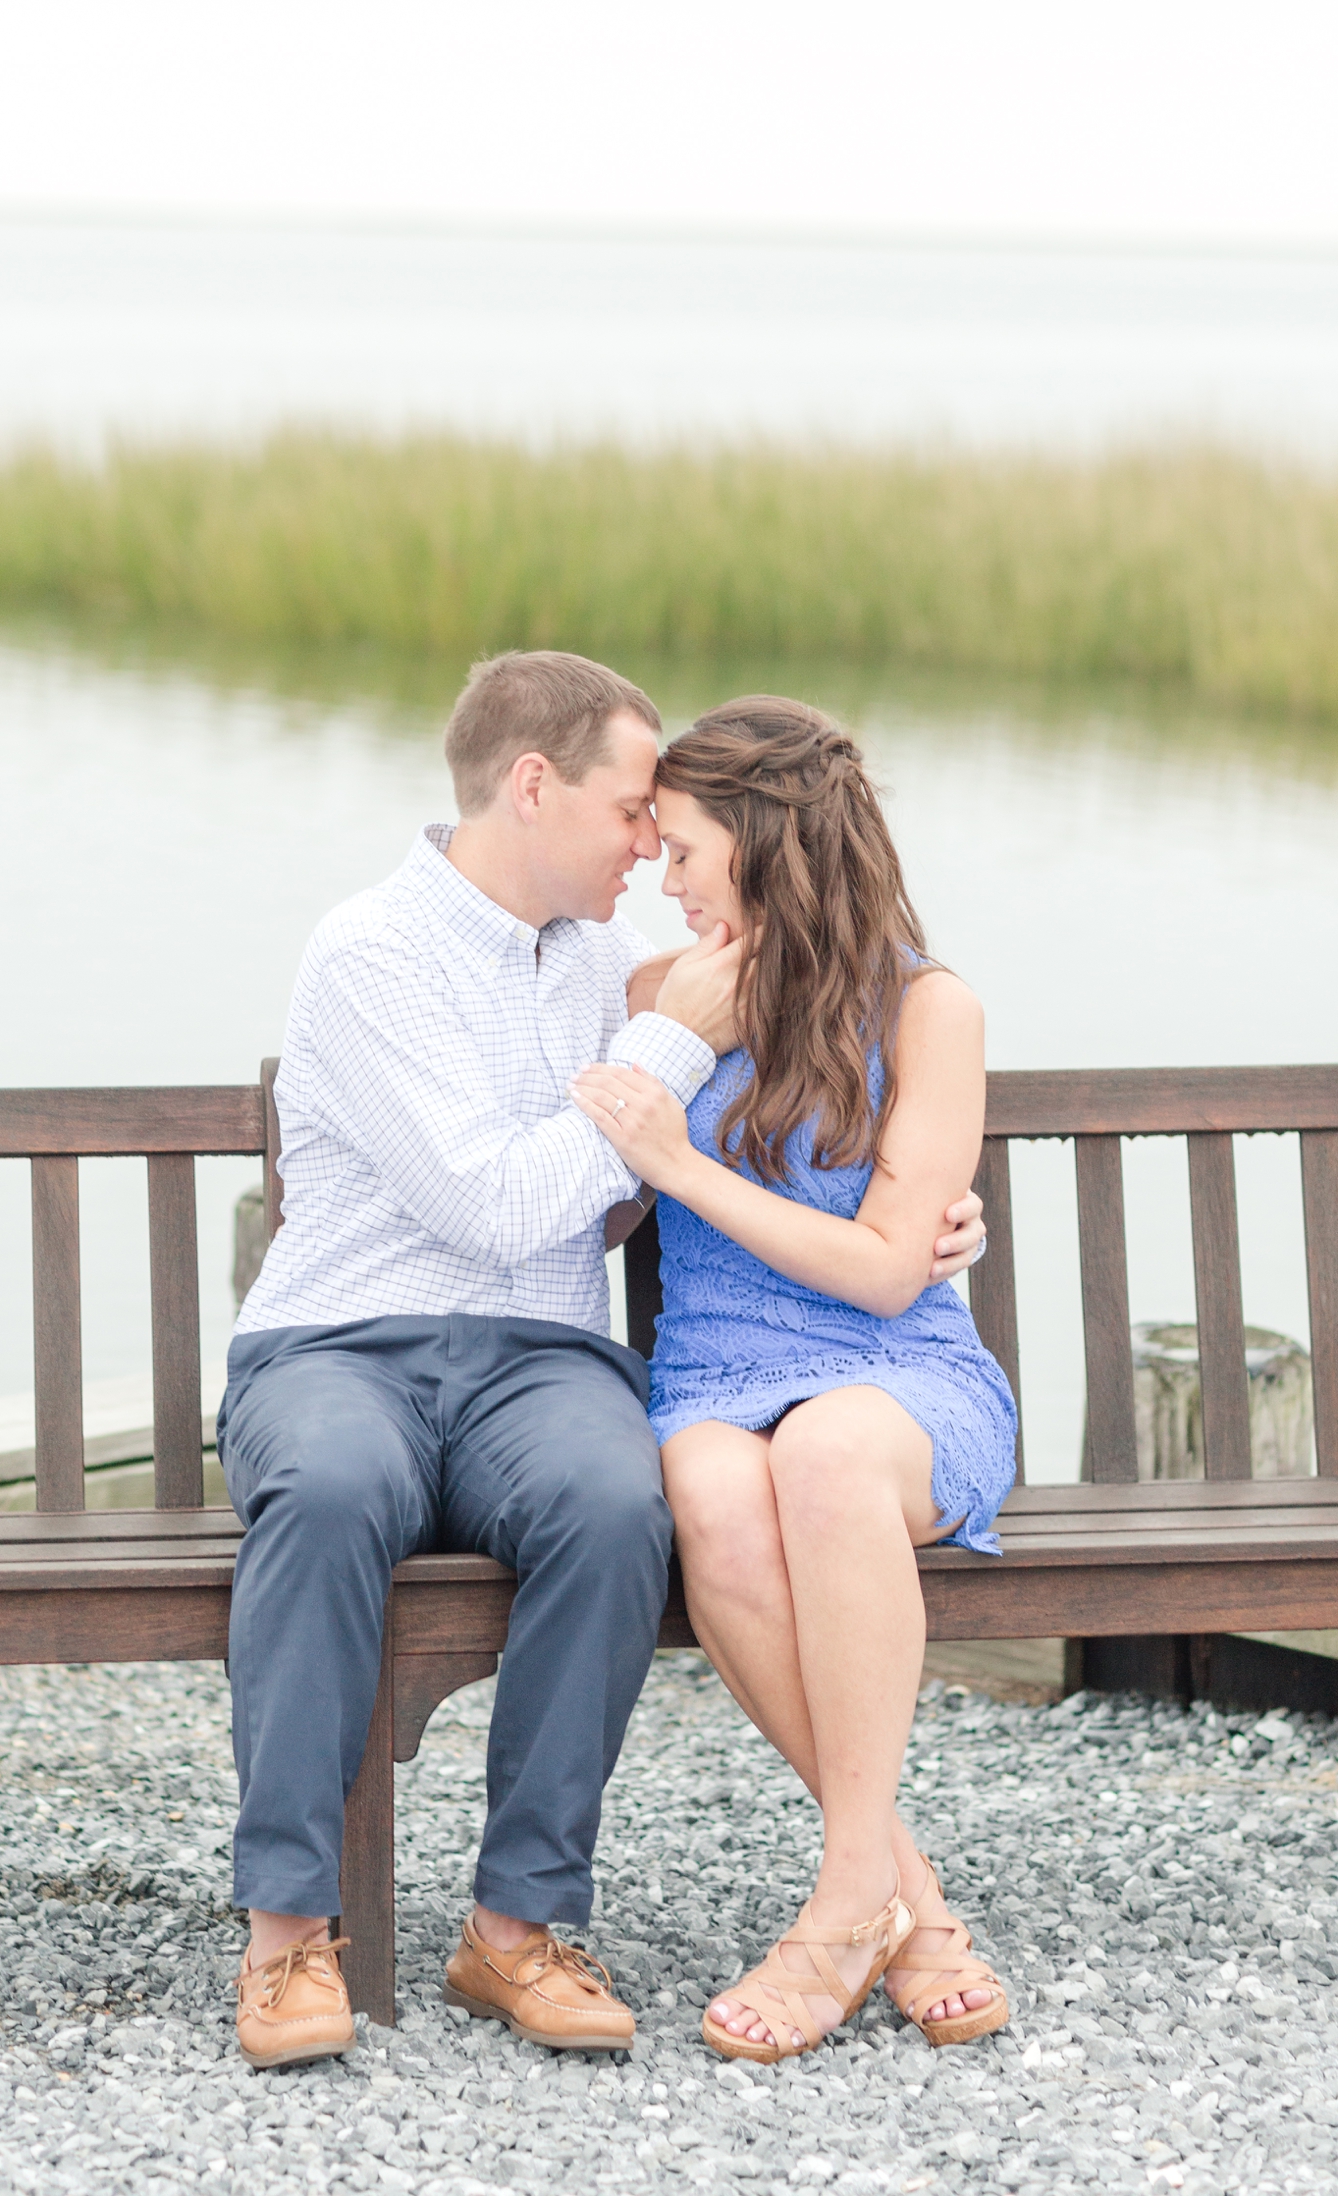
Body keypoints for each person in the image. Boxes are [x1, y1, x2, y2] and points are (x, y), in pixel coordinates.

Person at [220, 654, 985, 2070]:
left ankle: (517, 1927)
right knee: (325, 1493)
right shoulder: (370, 951)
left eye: (666, 827)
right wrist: (668, 1040)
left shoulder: (604, 967)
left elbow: (637, 1186)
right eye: (634, 809)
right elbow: (500, 1202)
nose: (649, 845)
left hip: (540, 1354)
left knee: (613, 1503)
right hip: (341, 1340)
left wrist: (928, 1214)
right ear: (533, 785)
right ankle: (284, 1936)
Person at [571, 696, 1016, 2065]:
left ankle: (838, 1910)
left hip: (892, 1370)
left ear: (767, 846)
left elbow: (890, 1269)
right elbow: (578, 1197)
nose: (662, 873)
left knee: (824, 1454)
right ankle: (907, 1898)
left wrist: (685, 1163)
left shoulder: (928, 1007)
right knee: (709, 1488)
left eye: (688, 848)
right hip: (713, 1366)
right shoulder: (657, 995)